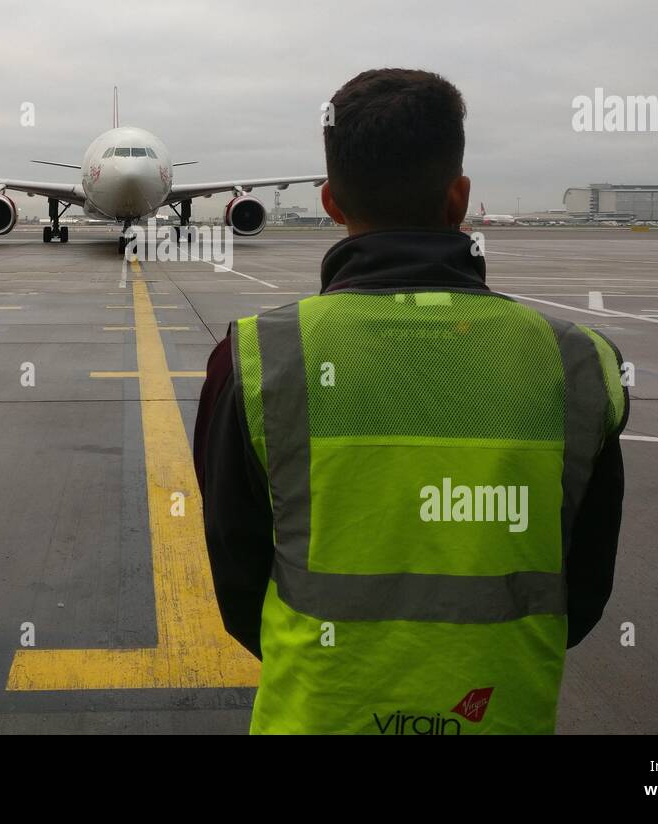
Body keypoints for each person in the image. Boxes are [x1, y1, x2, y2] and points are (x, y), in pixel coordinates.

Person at [193, 68, 627, 735]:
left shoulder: (255, 357)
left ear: (332, 201)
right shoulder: (577, 362)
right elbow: (586, 583)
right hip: (501, 713)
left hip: (315, 713)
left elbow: (238, 575)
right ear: (459, 196)